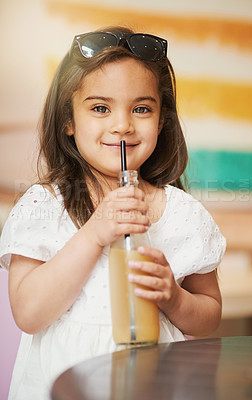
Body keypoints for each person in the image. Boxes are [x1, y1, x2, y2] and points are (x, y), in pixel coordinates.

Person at [0, 26, 226, 399]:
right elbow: (28, 313)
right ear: (68, 121)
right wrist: (93, 232)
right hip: (64, 383)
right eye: (101, 108)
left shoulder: (183, 213)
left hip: (155, 382)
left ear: (162, 120)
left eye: (141, 108)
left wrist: (175, 298)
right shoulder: (44, 205)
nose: (122, 125)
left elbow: (210, 313)